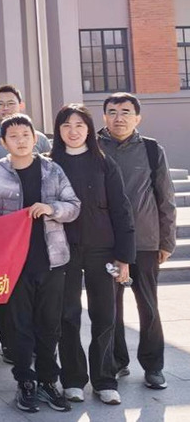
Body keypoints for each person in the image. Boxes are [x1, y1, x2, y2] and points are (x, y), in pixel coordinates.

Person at [0, 113, 80, 414]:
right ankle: (25, 381)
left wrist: (51, 208)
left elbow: (74, 206)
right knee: (20, 326)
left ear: (35, 137)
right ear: (3, 142)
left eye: (26, 134)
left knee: (49, 325)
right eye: (13, 136)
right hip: (15, 264)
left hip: (52, 259)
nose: (21, 141)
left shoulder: (52, 169)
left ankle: (49, 381)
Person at [51, 104, 134, 405]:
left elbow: (121, 209)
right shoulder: (50, 163)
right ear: (58, 131)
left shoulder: (103, 162)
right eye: (66, 126)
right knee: (67, 314)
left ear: (89, 129)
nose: (73, 131)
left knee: (105, 314)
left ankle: (104, 379)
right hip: (64, 249)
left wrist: (124, 256)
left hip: (103, 249)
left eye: (79, 125)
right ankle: (73, 379)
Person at [98, 92, 176, 391]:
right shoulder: (94, 147)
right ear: (104, 116)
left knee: (148, 307)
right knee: (110, 307)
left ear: (137, 118)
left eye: (126, 112)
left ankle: (154, 366)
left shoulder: (152, 150)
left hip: (145, 241)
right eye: (112, 111)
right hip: (107, 243)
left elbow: (165, 198)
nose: (119, 118)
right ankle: (118, 361)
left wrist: (166, 241)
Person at [0, 85, 51, 161]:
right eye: (0, 104)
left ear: (21, 106)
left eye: (11, 103)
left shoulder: (40, 139)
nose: (6, 108)